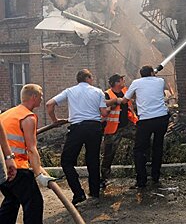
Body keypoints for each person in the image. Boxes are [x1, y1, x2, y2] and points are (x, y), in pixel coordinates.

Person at [46, 69, 110, 205]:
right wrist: (111, 107)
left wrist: (55, 120)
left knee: (66, 161)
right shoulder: (98, 92)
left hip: (77, 128)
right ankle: (94, 192)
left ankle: (78, 193)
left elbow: (49, 104)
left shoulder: (70, 91)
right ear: (88, 78)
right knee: (93, 160)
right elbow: (104, 113)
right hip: (94, 128)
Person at [0, 84, 55, 223]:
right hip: (16, 168)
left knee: (11, 201)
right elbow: (31, 148)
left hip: (2, 168)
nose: (42, 100)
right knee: (34, 203)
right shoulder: (28, 117)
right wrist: (39, 174)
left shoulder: (7, 114)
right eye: (41, 96)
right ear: (33, 97)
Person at [122, 65, 169, 189]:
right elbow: (157, 85)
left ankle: (141, 180)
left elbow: (125, 99)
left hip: (146, 120)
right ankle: (155, 176)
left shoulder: (136, 83)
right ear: (151, 73)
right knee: (158, 146)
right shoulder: (160, 81)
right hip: (161, 118)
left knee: (139, 149)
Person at [100, 73, 138, 189]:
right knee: (108, 155)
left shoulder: (125, 91)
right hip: (113, 129)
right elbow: (104, 111)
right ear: (116, 82)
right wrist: (114, 102)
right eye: (122, 80)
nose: (124, 81)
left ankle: (141, 172)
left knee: (142, 140)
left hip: (127, 126)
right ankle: (103, 179)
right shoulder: (107, 94)